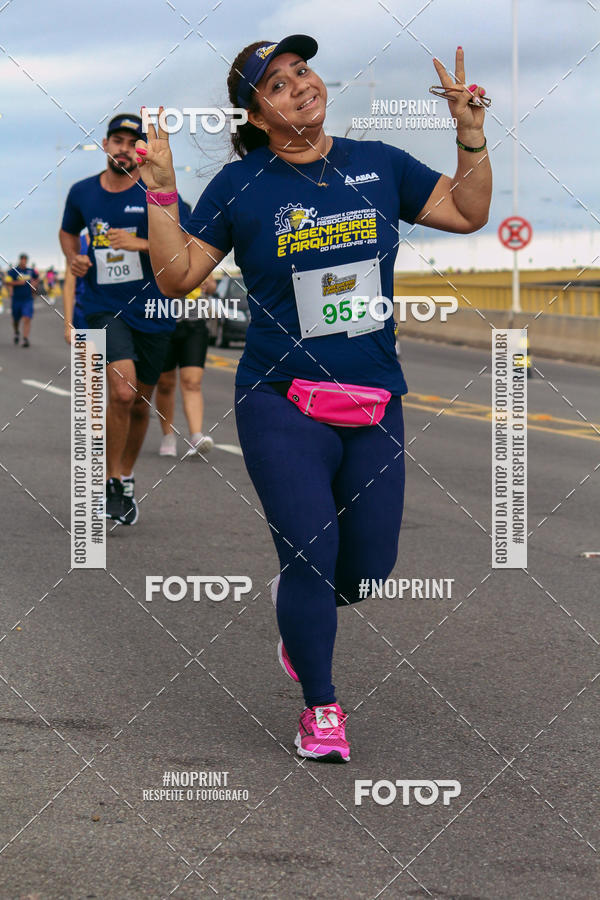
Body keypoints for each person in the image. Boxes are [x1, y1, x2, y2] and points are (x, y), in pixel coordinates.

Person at [138, 38, 491, 762]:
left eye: (302, 71)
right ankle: (321, 710)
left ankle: (298, 616)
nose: (299, 86)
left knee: (364, 573)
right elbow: (177, 279)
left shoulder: (380, 163)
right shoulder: (241, 186)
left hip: (373, 398)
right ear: (256, 113)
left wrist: (470, 133)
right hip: (280, 399)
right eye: (277, 84)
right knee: (310, 554)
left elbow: (466, 213)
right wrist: (162, 191)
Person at [59, 113, 188, 525]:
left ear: (142, 150)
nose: (124, 148)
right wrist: (73, 258)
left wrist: (140, 242)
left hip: (153, 309)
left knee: (139, 403)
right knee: (121, 391)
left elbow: (184, 245)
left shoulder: (158, 191)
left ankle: (126, 477)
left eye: (133, 143)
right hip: (102, 306)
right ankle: (110, 480)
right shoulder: (83, 193)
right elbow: (68, 232)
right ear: (105, 144)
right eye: (117, 140)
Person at [156, 273, 216, 458]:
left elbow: (212, 285)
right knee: (165, 384)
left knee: (192, 382)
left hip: (194, 322)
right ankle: (168, 436)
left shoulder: (198, 246)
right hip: (162, 319)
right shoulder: (158, 247)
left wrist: (208, 284)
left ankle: (196, 437)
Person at [62, 231, 90, 343]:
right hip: (84, 316)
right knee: (88, 360)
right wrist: (68, 325)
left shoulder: (122, 238)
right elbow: (69, 286)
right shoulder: (77, 244)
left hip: (119, 317)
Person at [7, 253, 39, 347]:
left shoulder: (31, 271)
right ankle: (16, 332)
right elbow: (7, 282)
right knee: (16, 319)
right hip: (16, 299)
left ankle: (25, 339)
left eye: (25, 260)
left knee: (27, 318)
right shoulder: (13, 271)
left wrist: (35, 284)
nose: (24, 262)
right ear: (20, 260)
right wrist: (18, 283)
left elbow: (36, 279)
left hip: (27, 299)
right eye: (22, 260)